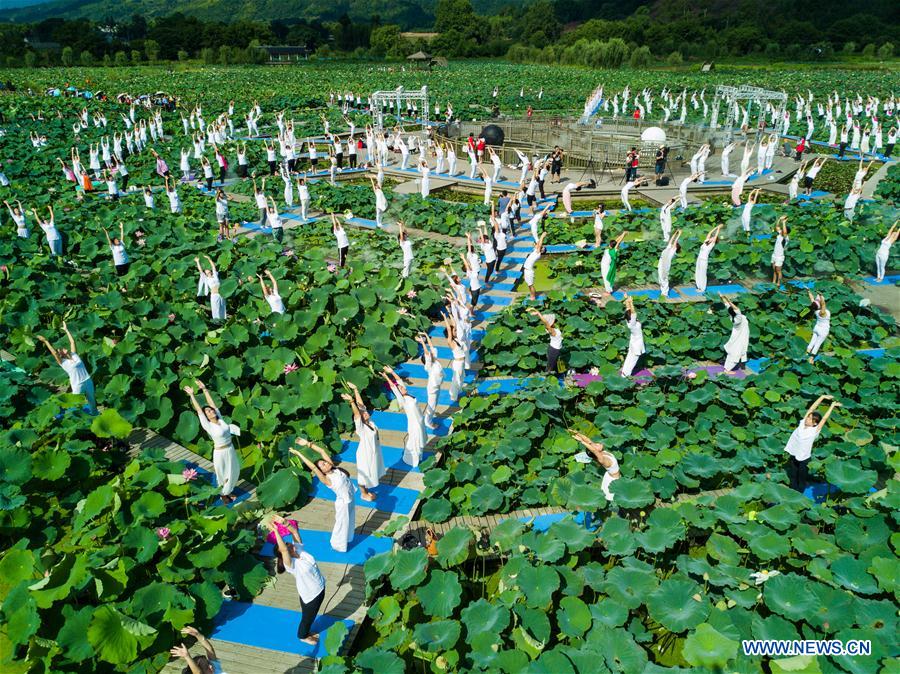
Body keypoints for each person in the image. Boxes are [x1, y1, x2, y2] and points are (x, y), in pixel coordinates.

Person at [268, 517, 326, 646]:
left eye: (288, 543)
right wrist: (275, 531)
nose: (290, 544)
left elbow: (294, 532)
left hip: (320, 587)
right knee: (308, 618)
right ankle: (303, 636)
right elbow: (283, 549)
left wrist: (284, 523)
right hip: (311, 596)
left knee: (310, 616)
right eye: (288, 545)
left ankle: (307, 632)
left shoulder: (299, 549)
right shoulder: (291, 564)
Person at [291, 439, 356, 552]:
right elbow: (313, 467)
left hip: (350, 498)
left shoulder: (335, 469)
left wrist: (307, 444)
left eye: (325, 462)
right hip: (343, 503)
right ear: (322, 471)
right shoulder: (327, 479)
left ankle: (348, 538)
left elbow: (321, 451)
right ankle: (338, 544)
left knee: (350, 520)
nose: (326, 464)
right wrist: (299, 454)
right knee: (341, 524)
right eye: (323, 465)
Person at [183, 379, 241, 502]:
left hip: (230, 449)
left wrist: (204, 389)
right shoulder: (208, 425)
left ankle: (228, 491)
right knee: (222, 475)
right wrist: (192, 395)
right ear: (207, 416)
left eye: (211, 410)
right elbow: (199, 411)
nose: (211, 411)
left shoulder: (220, 419)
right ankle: (223, 494)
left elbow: (212, 404)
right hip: (220, 453)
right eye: (208, 412)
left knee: (234, 471)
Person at [36, 321, 97, 414]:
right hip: (78, 385)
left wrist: (66, 330)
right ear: (61, 354)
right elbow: (54, 353)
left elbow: (72, 341)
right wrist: (45, 341)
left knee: (92, 401)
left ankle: (95, 415)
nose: (63, 348)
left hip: (87, 380)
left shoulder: (74, 354)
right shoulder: (63, 362)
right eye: (61, 349)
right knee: (77, 404)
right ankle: (77, 420)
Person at [783, 395, 841, 492]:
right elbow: (812, 408)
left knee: (801, 478)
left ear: (815, 423)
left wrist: (832, 406)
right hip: (794, 454)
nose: (807, 419)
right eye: (808, 417)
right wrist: (822, 397)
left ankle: (799, 494)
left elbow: (824, 419)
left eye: (810, 419)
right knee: (792, 475)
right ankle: (791, 492)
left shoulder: (814, 431)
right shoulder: (802, 424)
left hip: (804, 458)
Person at [340, 382, 384, 501]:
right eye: (363, 414)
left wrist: (355, 389)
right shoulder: (361, 427)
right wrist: (351, 402)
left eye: (365, 412)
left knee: (372, 471)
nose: (365, 413)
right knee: (363, 475)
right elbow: (357, 414)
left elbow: (361, 406)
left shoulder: (370, 423)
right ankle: (363, 493)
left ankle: (367, 489)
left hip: (373, 451)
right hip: (365, 453)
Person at [381, 366, 426, 467]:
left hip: (420, 421)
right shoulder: (403, 400)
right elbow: (394, 387)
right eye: (401, 388)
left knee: (420, 439)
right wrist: (386, 377)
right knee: (415, 442)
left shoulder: (407, 394)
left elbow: (399, 380)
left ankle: (418, 457)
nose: (403, 387)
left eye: (402, 387)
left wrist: (392, 372)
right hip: (414, 425)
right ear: (398, 393)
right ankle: (413, 460)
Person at [570, 431, 620, 502]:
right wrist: (582, 442)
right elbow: (594, 450)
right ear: (595, 451)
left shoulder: (601, 452)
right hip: (613, 481)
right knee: (612, 500)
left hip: (609, 476)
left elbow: (588, 440)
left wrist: (577, 433)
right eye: (596, 445)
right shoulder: (602, 460)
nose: (597, 443)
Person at [417, 333, 444, 429]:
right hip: (432, 388)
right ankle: (428, 422)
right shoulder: (428, 366)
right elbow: (427, 352)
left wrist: (426, 336)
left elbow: (432, 347)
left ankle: (428, 419)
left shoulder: (435, 360)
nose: (431, 354)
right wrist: (422, 343)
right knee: (431, 406)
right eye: (429, 356)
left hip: (437, 386)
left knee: (434, 404)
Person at [720, 294, 749, 372]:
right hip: (740, 336)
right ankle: (727, 370)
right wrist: (728, 299)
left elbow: (727, 305)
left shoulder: (732, 315)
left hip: (737, 335)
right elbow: (736, 308)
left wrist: (722, 297)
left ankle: (726, 367)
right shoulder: (738, 318)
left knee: (733, 351)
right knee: (736, 352)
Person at [529, 308, 562, 374]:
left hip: (556, 349)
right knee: (550, 365)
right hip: (554, 350)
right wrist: (538, 314)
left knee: (553, 364)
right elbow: (546, 322)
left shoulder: (554, 328)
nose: (555, 320)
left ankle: (552, 375)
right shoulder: (551, 331)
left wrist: (537, 311)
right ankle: (547, 377)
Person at [619, 293, 645, 377]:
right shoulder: (632, 324)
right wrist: (631, 303)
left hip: (633, 343)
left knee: (628, 358)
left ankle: (624, 372)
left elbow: (629, 310)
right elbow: (633, 313)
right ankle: (626, 374)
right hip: (637, 345)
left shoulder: (629, 321)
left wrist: (627, 300)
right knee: (633, 360)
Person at [195, 256, 226, 320]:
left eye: (208, 269)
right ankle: (217, 322)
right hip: (214, 295)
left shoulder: (215, 276)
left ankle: (223, 321)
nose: (207, 270)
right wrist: (197, 262)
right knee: (216, 309)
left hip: (221, 293)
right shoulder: (206, 279)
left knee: (222, 308)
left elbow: (213, 266)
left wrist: (209, 259)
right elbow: (200, 271)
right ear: (205, 273)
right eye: (206, 270)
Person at [694, 225, 722, 293]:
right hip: (699, 259)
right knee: (697, 272)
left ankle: (702, 288)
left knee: (703, 274)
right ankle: (699, 286)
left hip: (704, 260)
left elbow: (715, 237)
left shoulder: (711, 244)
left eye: (712, 238)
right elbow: (709, 233)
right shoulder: (706, 242)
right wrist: (715, 227)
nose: (711, 238)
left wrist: (718, 228)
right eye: (711, 237)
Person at [805, 291, 830, 363]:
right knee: (817, 345)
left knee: (812, 342)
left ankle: (806, 354)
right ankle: (811, 359)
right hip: (823, 330)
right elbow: (823, 303)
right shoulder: (822, 312)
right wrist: (821, 295)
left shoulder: (815, 310)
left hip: (816, 328)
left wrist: (809, 291)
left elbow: (812, 299)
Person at [522, 232, 546, 301]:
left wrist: (542, 236)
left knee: (531, 285)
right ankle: (532, 294)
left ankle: (533, 297)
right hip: (526, 270)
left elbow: (539, 244)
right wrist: (539, 239)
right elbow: (538, 244)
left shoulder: (538, 254)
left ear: (541, 251)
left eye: (541, 248)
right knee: (529, 285)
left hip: (529, 271)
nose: (540, 247)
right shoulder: (536, 251)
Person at [656, 230, 680, 297]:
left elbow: (674, 242)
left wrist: (679, 234)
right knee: (660, 278)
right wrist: (675, 233)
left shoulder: (673, 251)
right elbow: (671, 240)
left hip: (665, 264)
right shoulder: (669, 248)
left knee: (664, 278)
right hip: (661, 263)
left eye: (674, 244)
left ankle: (665, 293)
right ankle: (662, 291)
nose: (673, 244)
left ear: (676, 247)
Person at [771, 216, 789, 287]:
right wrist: (779, 219)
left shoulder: (786, 238)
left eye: (782, 230)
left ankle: (778, 283)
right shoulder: (779, 234)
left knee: (778, 271)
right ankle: (773, 282)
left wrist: (784, 223)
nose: (781, 230)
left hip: (779, 257)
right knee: (774, 270)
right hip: (774, 255)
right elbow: (777, 227)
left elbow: (784, 232)